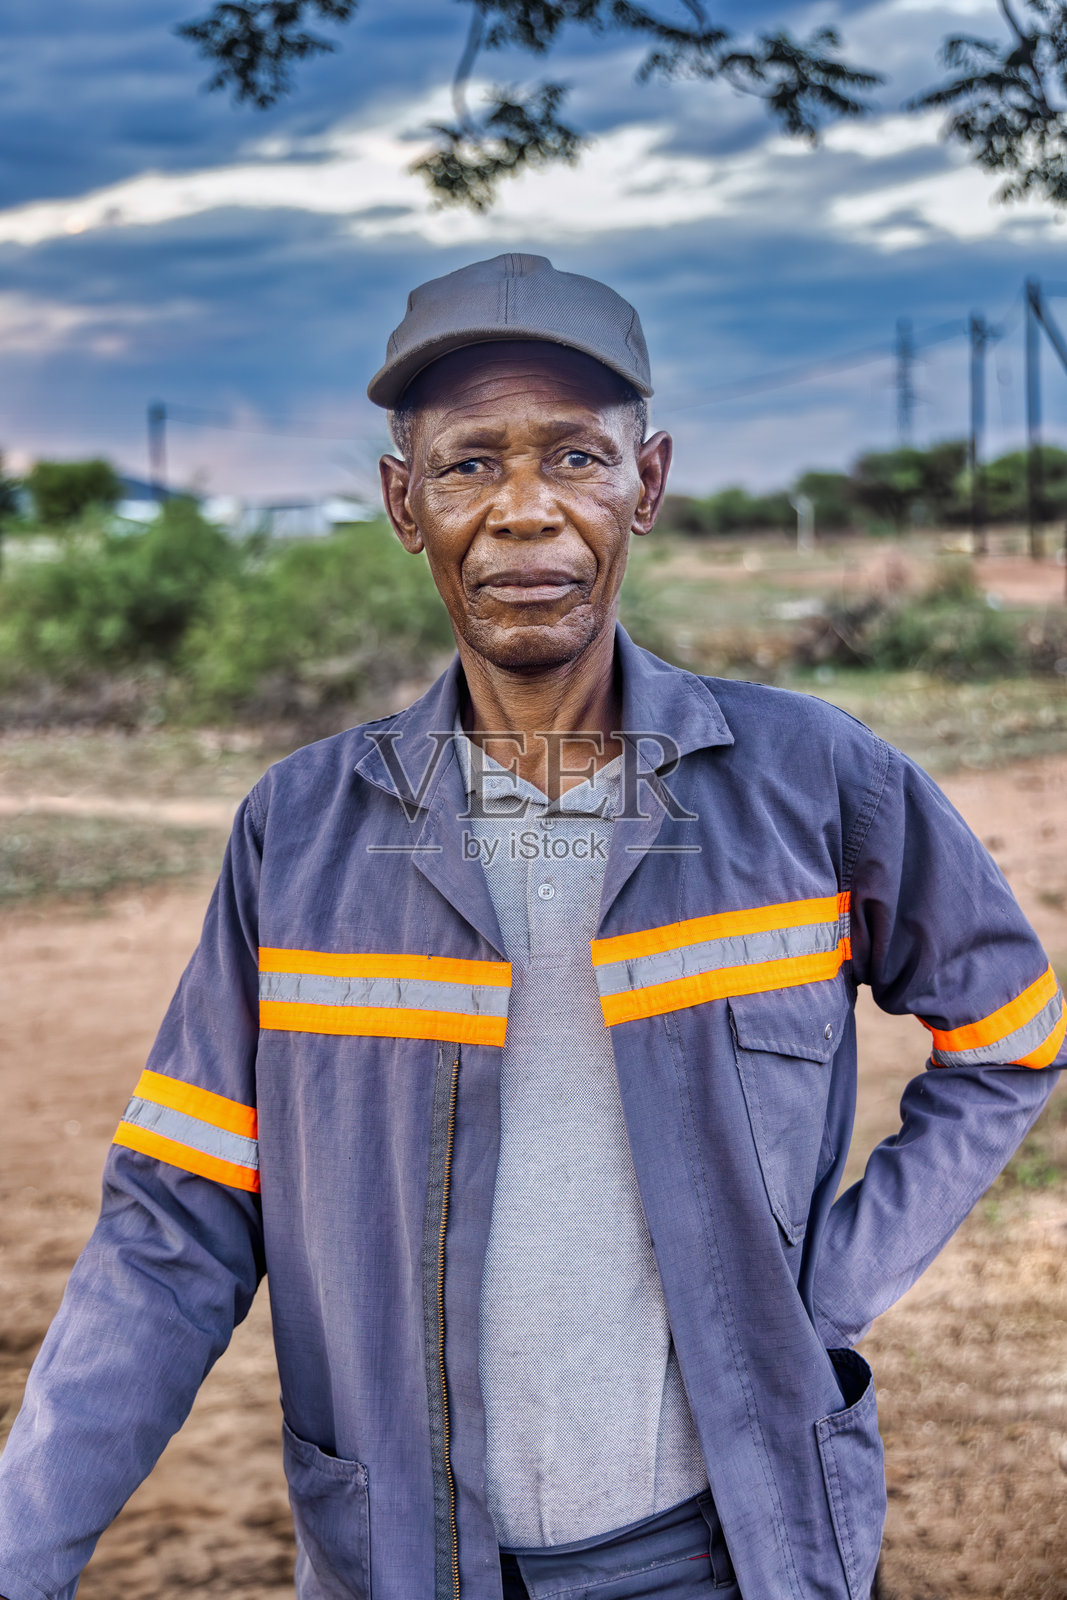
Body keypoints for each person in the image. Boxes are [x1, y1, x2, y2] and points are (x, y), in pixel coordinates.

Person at [0, 252, 1062, 1600]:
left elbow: (1012, 1038)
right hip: (405, 1563)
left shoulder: (814, 779)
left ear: (649, 483)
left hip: (734, 1551)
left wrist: (824, 1295)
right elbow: (175, 1223)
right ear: (403, 502)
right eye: (466, 464)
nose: (523, 513)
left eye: (575, 457)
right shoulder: (300, 832)